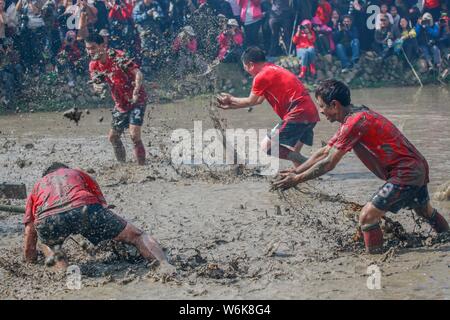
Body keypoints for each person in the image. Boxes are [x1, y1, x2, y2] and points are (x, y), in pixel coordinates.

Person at [273, 79, 449, 254]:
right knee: (424, 211)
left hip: (406, 172)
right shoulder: (355, 116)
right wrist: (296, 170)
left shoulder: (354, 122)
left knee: (367, 217)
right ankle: (446, 239)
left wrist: (296, 179)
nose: (320, 111)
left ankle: (375, 260)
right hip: (416, 166)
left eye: (322, 106)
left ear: (334, 105)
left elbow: (328, 164)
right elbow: (326, 151)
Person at [23, 162, 175, 275]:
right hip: (84, 207)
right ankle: (164, 266)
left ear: (46, 176)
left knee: (50, 246)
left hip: (49, 217)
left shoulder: (37, 186)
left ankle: (65, 275)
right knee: (138, 235)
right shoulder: (77, 173)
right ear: (65, 169)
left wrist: (30, 258)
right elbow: (102, 206)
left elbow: (30, 230)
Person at [216, 47, 320, 168]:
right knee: (294, 155)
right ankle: (308, 174)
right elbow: (258, 101)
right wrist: (232, 106)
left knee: (267, 147)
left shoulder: (261, 76)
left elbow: (251, 100)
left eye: (244, 66)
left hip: (298, 112)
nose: (245, 69)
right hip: (310, 112)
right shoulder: (273, 69)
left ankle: (314, 164)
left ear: (250, 64)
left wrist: (231, 99)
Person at [85, 33, 147, 165]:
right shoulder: (93, 65)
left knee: (134, 135)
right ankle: (122, 166)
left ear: (103, 46)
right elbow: (96, 82)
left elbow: (138, 73)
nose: (90, 51)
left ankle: (143, 168)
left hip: (136, 100)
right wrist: (98, 87)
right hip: (120, 103)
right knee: (113, 137)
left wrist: (136, 90)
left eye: (93, 48)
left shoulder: (118, 56)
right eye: (88, 48)